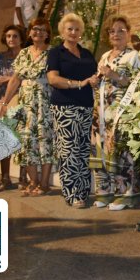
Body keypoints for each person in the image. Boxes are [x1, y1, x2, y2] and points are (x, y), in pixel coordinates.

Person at [47, 13, 99, 208]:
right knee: (69, 151)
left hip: (86, 107)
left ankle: (84, 192)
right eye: (69, 29)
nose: (73, 32)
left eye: (77, 29)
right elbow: (53, 79)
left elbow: (95, 75)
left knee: (83, 150)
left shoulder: (86, 53)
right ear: (62, 31)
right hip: (64, 107)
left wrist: (96, 80)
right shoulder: (56, 52)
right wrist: (79, 83)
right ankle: (72, 194)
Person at [1, 18, 56, 197]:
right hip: (25, 103)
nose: (38, 32)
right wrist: (5, 101)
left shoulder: (53, 53)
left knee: (45, 141)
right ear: (30, 32)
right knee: (26, 142)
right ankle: (33, 181)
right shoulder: (24, 53)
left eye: (42, 29)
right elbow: (16, 78)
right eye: (35, 29)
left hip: (44, 103)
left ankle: (45, 183)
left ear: (47, 34)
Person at [91, 15, 140, 211]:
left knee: (121, 154)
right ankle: (105, 192)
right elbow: (101, 79)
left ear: (128, 33)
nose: (116, 34)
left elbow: (138, 83)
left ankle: (126, 195)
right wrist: (95, 80)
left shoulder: (134, 56)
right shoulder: (104, 56)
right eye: (112, 31)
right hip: (101, 112)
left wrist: (113, 75)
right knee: (101, 152)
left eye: (121, 30)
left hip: (122, 113)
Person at [0, 25, 25, 191]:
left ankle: (23, 176)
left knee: (24, 140)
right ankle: (5, 177)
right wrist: (14, 78)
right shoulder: (0, 57)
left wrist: (9, 78)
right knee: (5, 139)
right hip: (4, 100)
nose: (11, 39)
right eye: (9, 36)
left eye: (15, 36)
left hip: (25, 100)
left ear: (21, 38)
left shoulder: (27, 55)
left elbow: (27, 78)